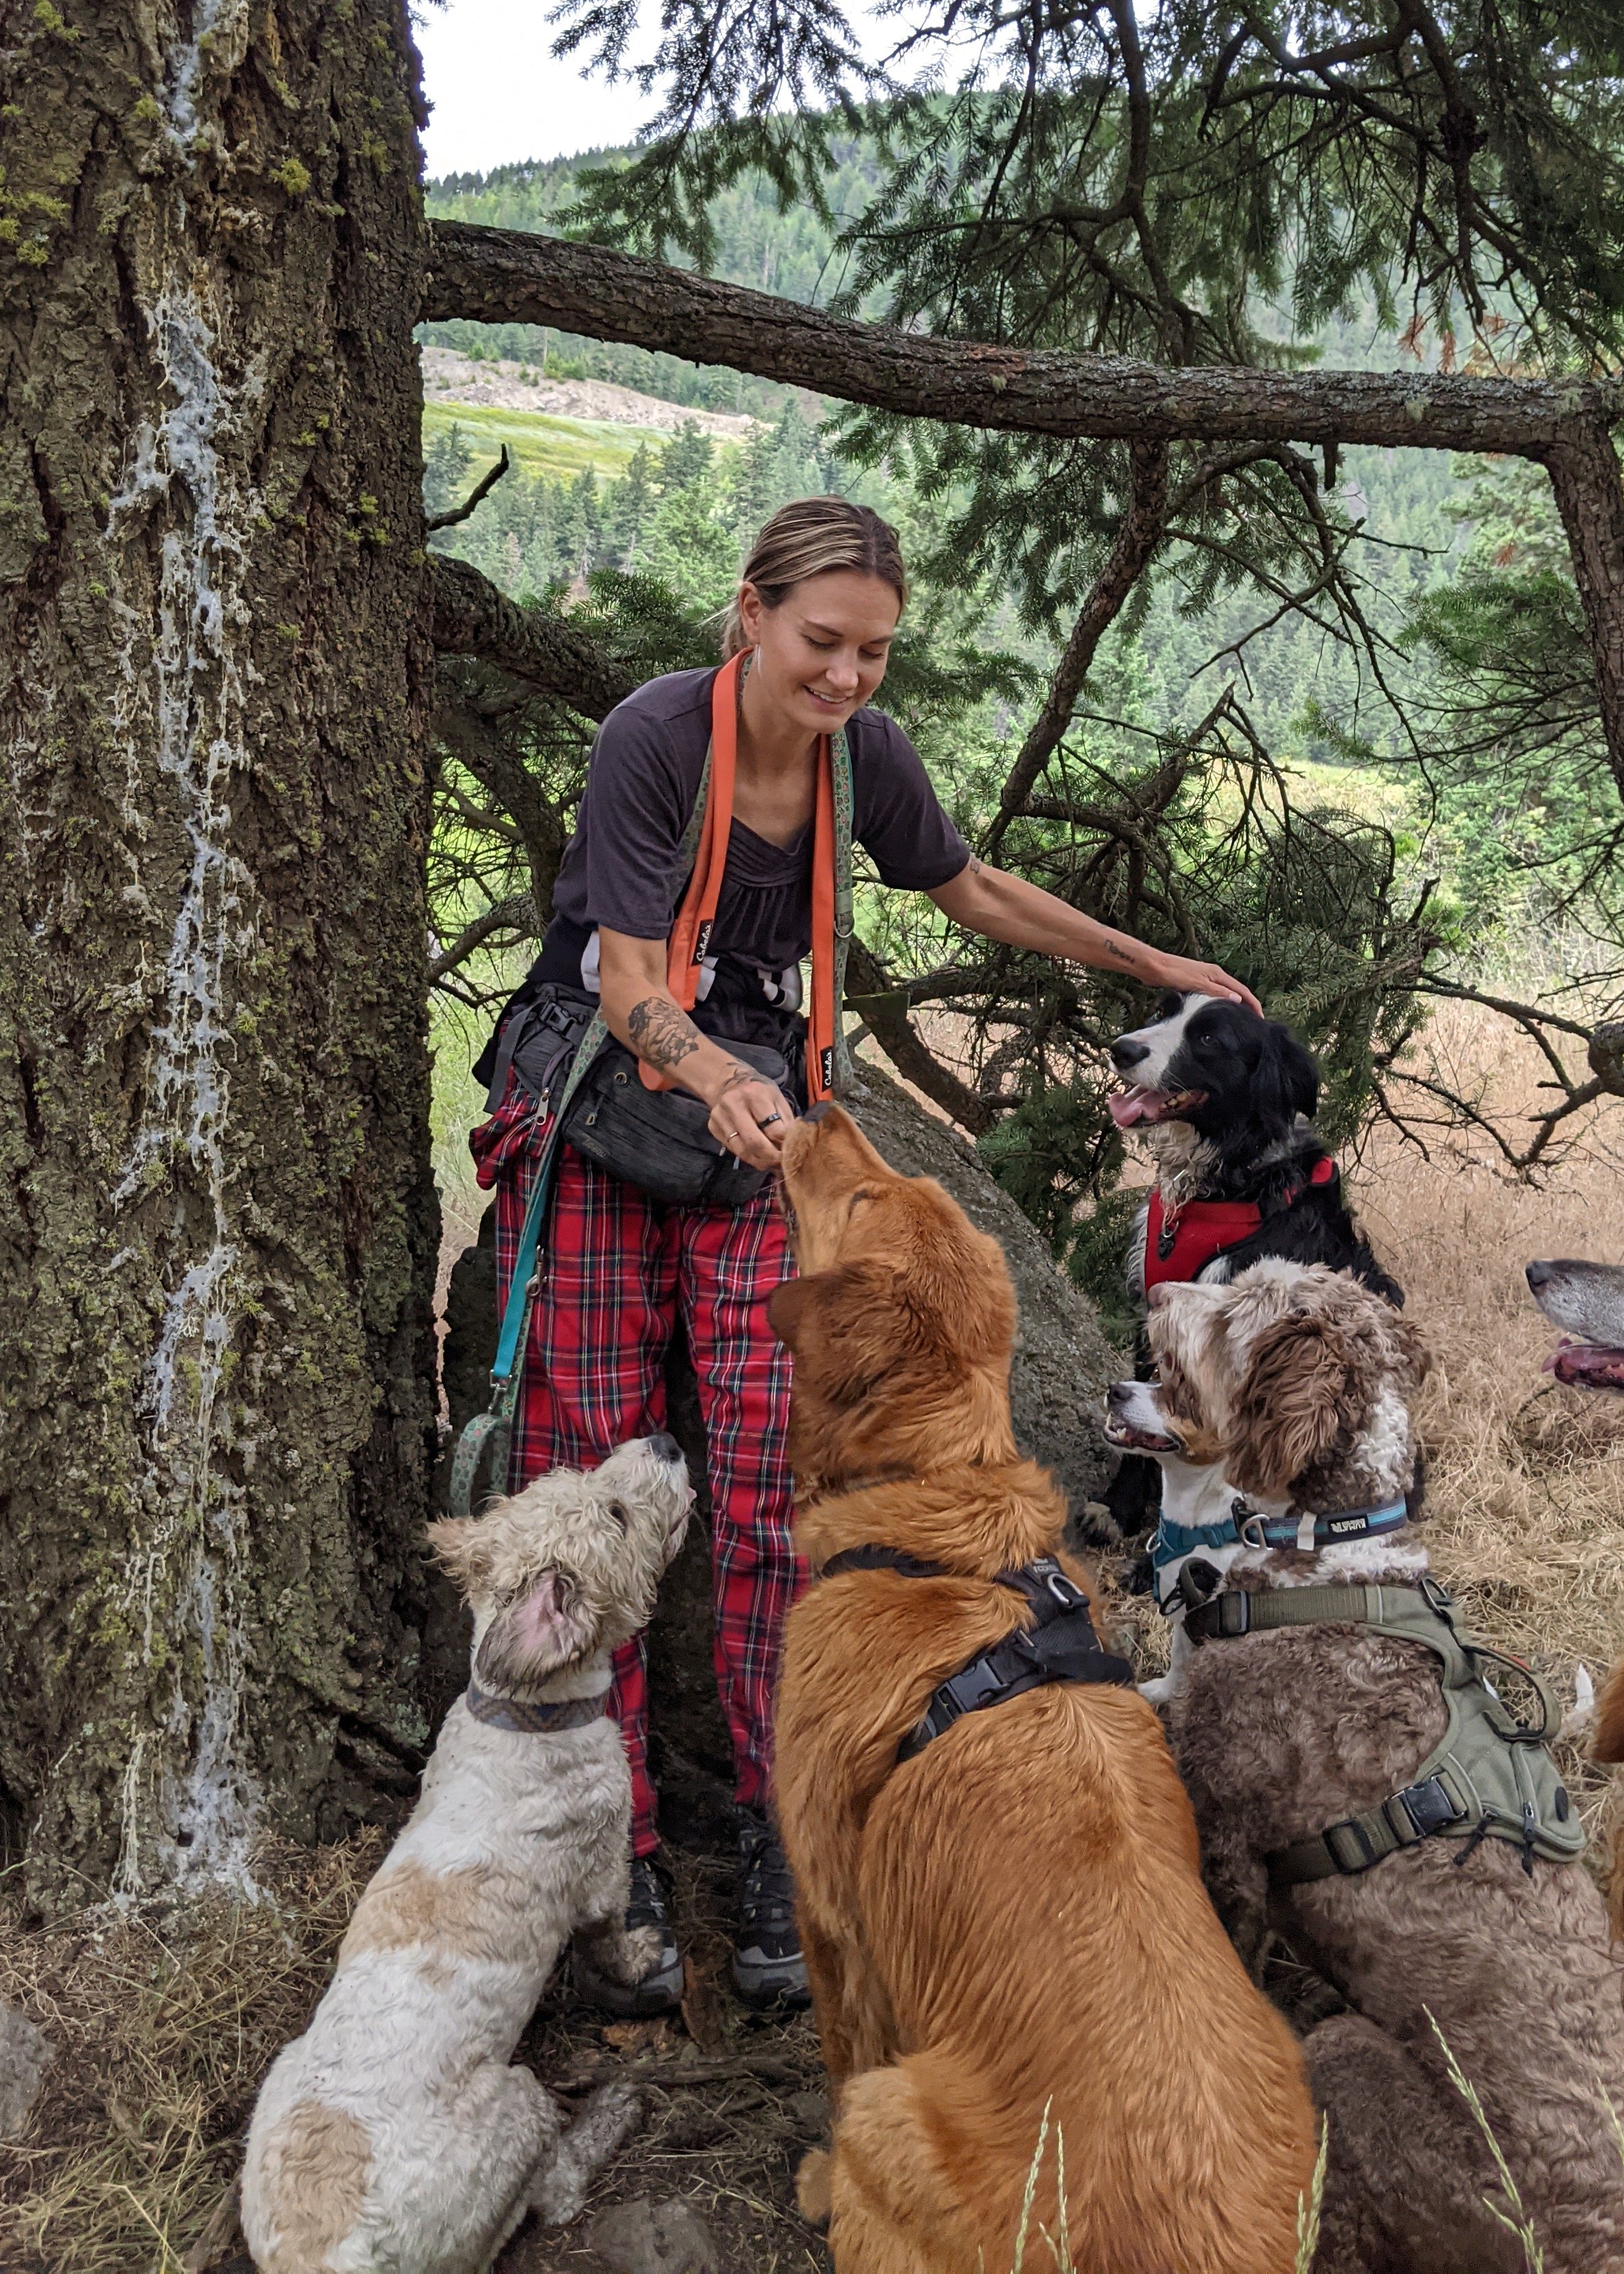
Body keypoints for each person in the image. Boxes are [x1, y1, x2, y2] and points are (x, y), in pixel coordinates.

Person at [470, 498, 1256, 2014]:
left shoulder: (860, 762)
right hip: (614, 1123)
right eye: (823, 642)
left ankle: (786, 1843)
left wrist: (1153, 963)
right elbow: (631, 978)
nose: (846, 677)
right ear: (750, 616)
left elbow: (972, 889)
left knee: (775, 1504)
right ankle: (607, 1844)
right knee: (580, 1488)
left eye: (875, 653)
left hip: (763, 1147)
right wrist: (712, 1076)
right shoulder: (655, 741)